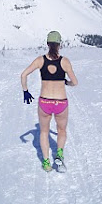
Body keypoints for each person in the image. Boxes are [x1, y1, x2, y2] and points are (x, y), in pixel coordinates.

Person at [21, 31, 78, 172]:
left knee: (44, 132)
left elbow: (23, 75)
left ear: (47, 44)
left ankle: (46, 163)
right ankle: (59, 155)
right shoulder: (65, 61)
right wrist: (66, 82)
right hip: (61, 103)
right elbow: (75, 82)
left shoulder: (40, 60)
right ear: (59, 44)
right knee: (62, 130)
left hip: (44, 102)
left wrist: (25, 91)